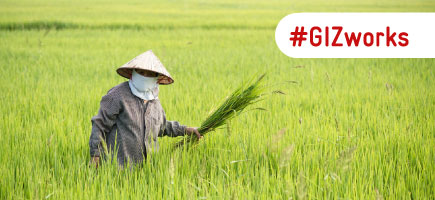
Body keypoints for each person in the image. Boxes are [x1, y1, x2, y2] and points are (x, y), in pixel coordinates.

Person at [89, 50, 202, 168]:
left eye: (150, 74)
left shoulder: (154, 100)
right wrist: (95, 155)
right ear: (132, 72)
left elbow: (161, 127)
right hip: (118, 169)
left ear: (157, 78)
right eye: (141, 72)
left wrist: (186, 130)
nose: (144, 76)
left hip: (148, 171)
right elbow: (99, 125)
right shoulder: (118, 95)